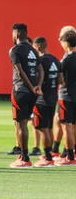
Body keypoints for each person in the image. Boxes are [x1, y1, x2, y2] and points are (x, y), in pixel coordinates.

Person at [8, 23, 44, 168]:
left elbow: (20, 71)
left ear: (16, 35)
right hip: (33, 92)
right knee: (24, 123)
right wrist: (38, 86)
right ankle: (23, 155)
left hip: (20, 90)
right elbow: (41, 70)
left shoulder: (14, 50)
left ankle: (24, 158)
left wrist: (30, 86)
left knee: (20, 123)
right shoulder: (33, 50)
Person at [32, 37, 60, 167]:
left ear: (37, 47)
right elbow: (61, 80)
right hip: (53, 97)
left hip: (41, 99)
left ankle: (48, 158)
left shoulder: (40, 61)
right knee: (48, 127)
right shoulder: (55, 59)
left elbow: (36, 78)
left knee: (42, 129)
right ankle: (49, 154)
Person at [56, 30, 76, 166]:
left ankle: (69, 156)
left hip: (66, 95)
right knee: (74, 125)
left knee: (66, 126)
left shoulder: (65, 60)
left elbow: (60, 81)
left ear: (66, 43)